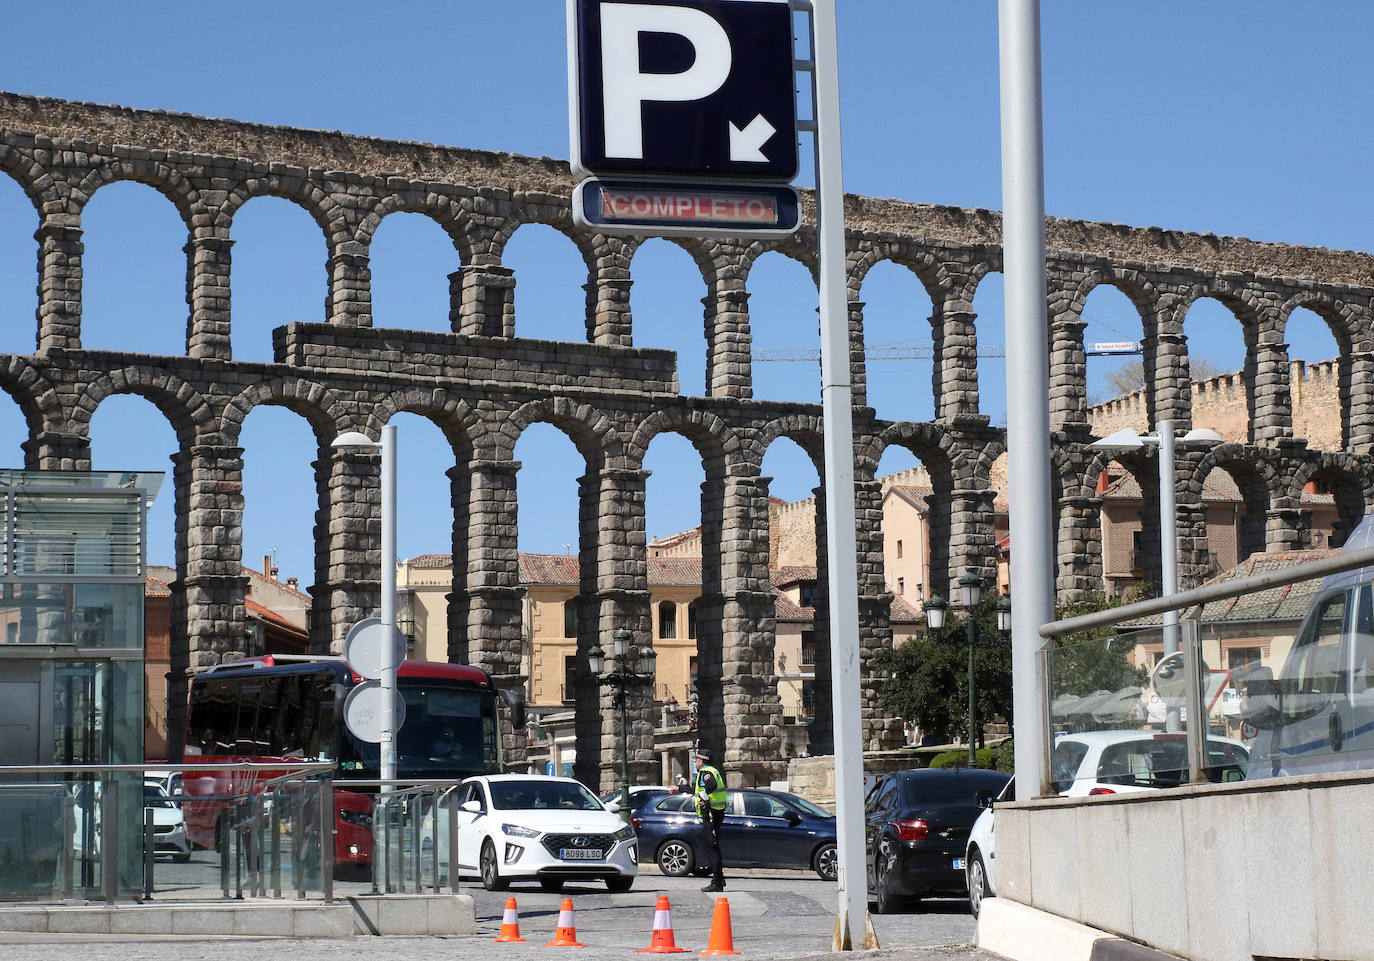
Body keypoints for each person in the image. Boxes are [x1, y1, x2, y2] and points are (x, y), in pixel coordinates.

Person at [687, 746, 727, 892]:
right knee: (714, 847)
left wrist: (704, 797)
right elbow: (698, 790)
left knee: (712, 848)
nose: (696, 763)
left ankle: (716, 883)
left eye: (697, 760)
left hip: (710, 814)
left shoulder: (706, 772)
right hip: (716, 812)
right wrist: (679, 790)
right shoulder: (713, 770)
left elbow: (711, 786)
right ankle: (719, 880)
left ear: (701, 761)